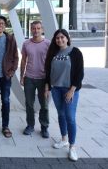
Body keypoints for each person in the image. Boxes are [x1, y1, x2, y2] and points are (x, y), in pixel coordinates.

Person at [44, 29, 84, 162]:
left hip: (69, 89)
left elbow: (79, 73)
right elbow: (48, 72)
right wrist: (47, 87)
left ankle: (72, 147)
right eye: (57, 38)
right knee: (61, 115)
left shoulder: (75, 52)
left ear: (67, 38)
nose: (59, 40)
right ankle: (64, 139)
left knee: (70, 117)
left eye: (62, 37)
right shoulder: (53, 53)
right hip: (56, 89)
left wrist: (72, 90)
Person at [20, 21, 50, 138]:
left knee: (44, 105)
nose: (36, 30)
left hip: (43, 79)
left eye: (38, 28)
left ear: (42, 29)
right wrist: (22, 76)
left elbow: (50, 62)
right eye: (33, 28)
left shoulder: (48, 43)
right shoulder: (26, 43)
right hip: (29, 78)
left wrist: (49, 81)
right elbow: (23, 60)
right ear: (30, 29)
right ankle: (30, 125)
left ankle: (44, 127)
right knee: (29, 104)